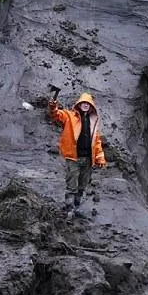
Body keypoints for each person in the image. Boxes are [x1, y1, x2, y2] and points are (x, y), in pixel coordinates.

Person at [48, 92, 107, 220]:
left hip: (87, 158)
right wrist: (53, 106)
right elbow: (56, 115)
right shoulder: (69, 116)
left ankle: (76, 206)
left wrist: (99, 157)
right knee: (72, 183)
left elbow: (96, 141)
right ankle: (69, 209)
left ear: (91, 106)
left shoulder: (93, 121)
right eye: (83, 103)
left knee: (82, 185)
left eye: (88, 104)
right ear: (79, 104)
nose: (85, 105)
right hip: (73, 157)